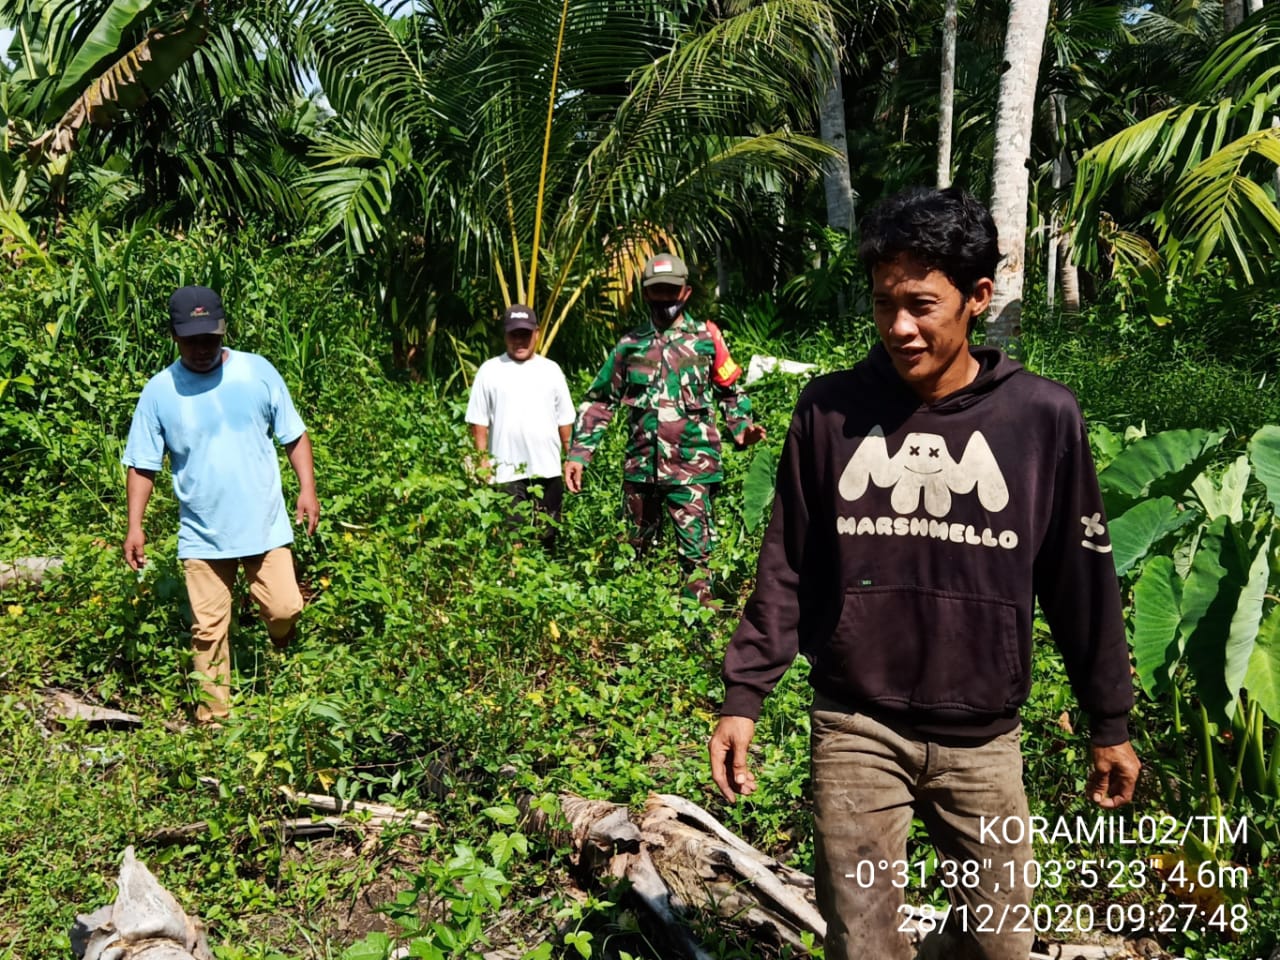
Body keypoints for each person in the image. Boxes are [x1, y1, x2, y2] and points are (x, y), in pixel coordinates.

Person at [707, 188, 1140, 960]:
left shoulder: (1040, 418)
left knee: (999, 943)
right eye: (883, 304)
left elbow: (1083, 585)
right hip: (856, 727)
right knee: (866, 943)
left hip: (984, 738)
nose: (899, 327)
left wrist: (1108, 721)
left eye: (920, 304)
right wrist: (745, 694)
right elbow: (787, 563)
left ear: (978, 296)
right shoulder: (828, 412)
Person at [122, 286, 319, 725]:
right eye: (191, 339)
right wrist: (134, 526)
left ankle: (282, 643)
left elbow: (294, 435)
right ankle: (212, 726)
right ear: (175, 336)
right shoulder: (159, 392)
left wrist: (308, 489)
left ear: (223, 328)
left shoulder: (257, 372)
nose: (201, 348)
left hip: (265, 526)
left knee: (284, 609)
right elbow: (142, 466)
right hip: (202, 536)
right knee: (208, 631)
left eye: (209, 337)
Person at [563, 252, 766, 604]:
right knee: (635, 554)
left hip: (693, 471)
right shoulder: (630, 346)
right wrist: (580, 453)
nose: (665, 299)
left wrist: (742, 427)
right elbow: (600, 400)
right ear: (645, 294)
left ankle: (698, 634)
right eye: (657, 290)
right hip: (641, 472)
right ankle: (641, 634)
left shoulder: (707, 339)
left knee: (697, 559)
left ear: (686, 292)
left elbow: (730, 392)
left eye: (671, 290)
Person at [465, 303, 576, 548]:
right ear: (505, 334)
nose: (520, 341)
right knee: (513, 538)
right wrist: (482, 459)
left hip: (547, 468)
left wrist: (571, 458)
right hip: (506, 470)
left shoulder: (551, 371)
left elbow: (565, 419)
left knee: (548, 535)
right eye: (514, 334)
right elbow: (478, 421)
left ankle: (547, 581)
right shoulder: (489, 371)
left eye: (525, 334)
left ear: (536, 333)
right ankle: (514, 582)